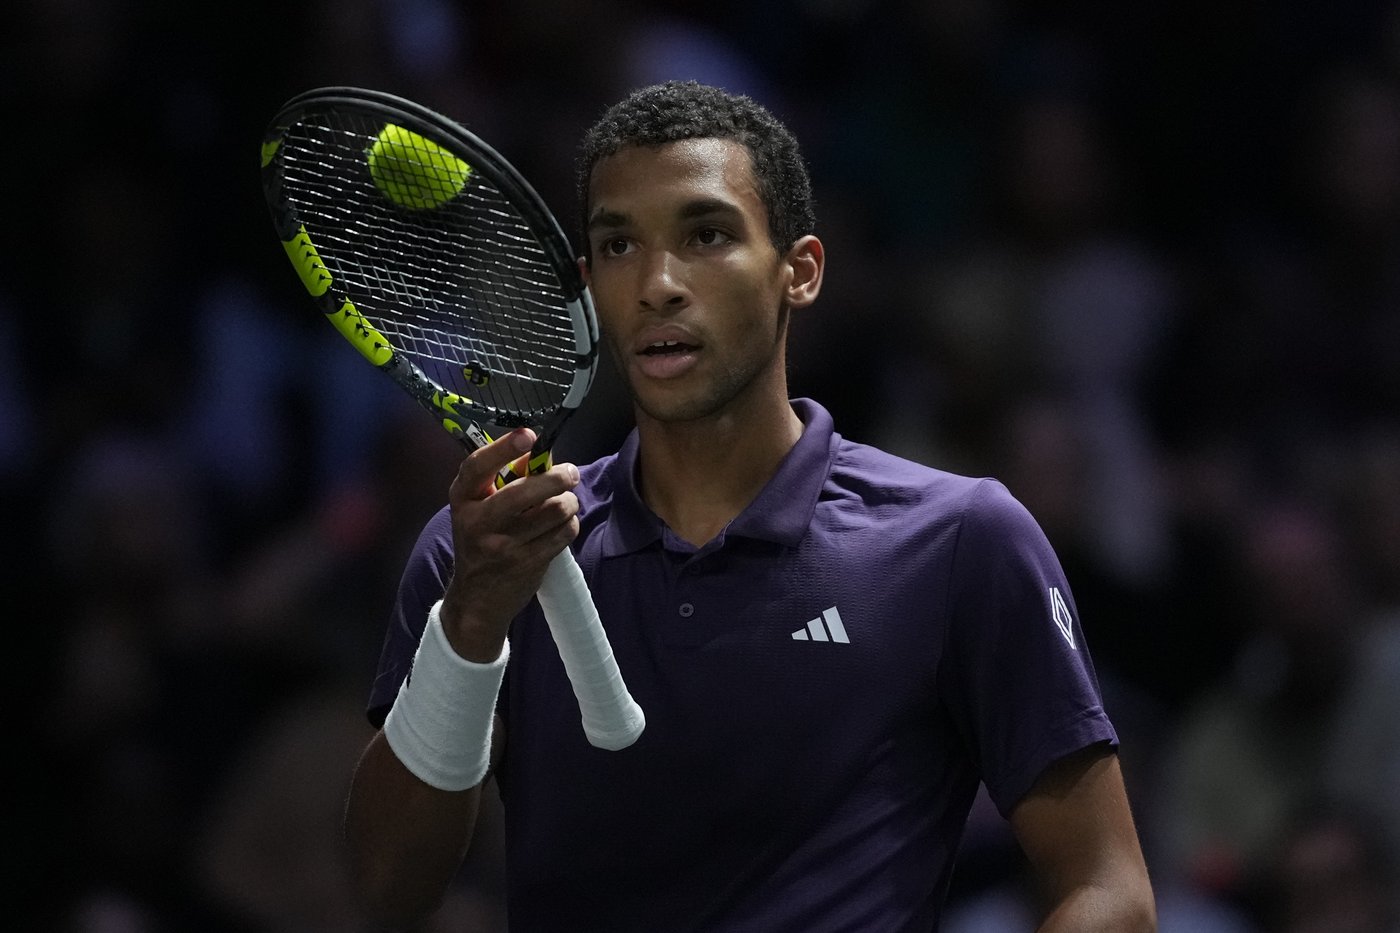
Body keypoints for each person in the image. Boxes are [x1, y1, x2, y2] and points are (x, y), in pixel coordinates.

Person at [343, 80, 1156, 932]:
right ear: (587, 290)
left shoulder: (960, 541)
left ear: (798, 270)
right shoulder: (482, 555)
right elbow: (386, 889)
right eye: (619, 246)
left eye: (706, 235)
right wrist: (471, 620)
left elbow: (1110, 889)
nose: (658, 283)